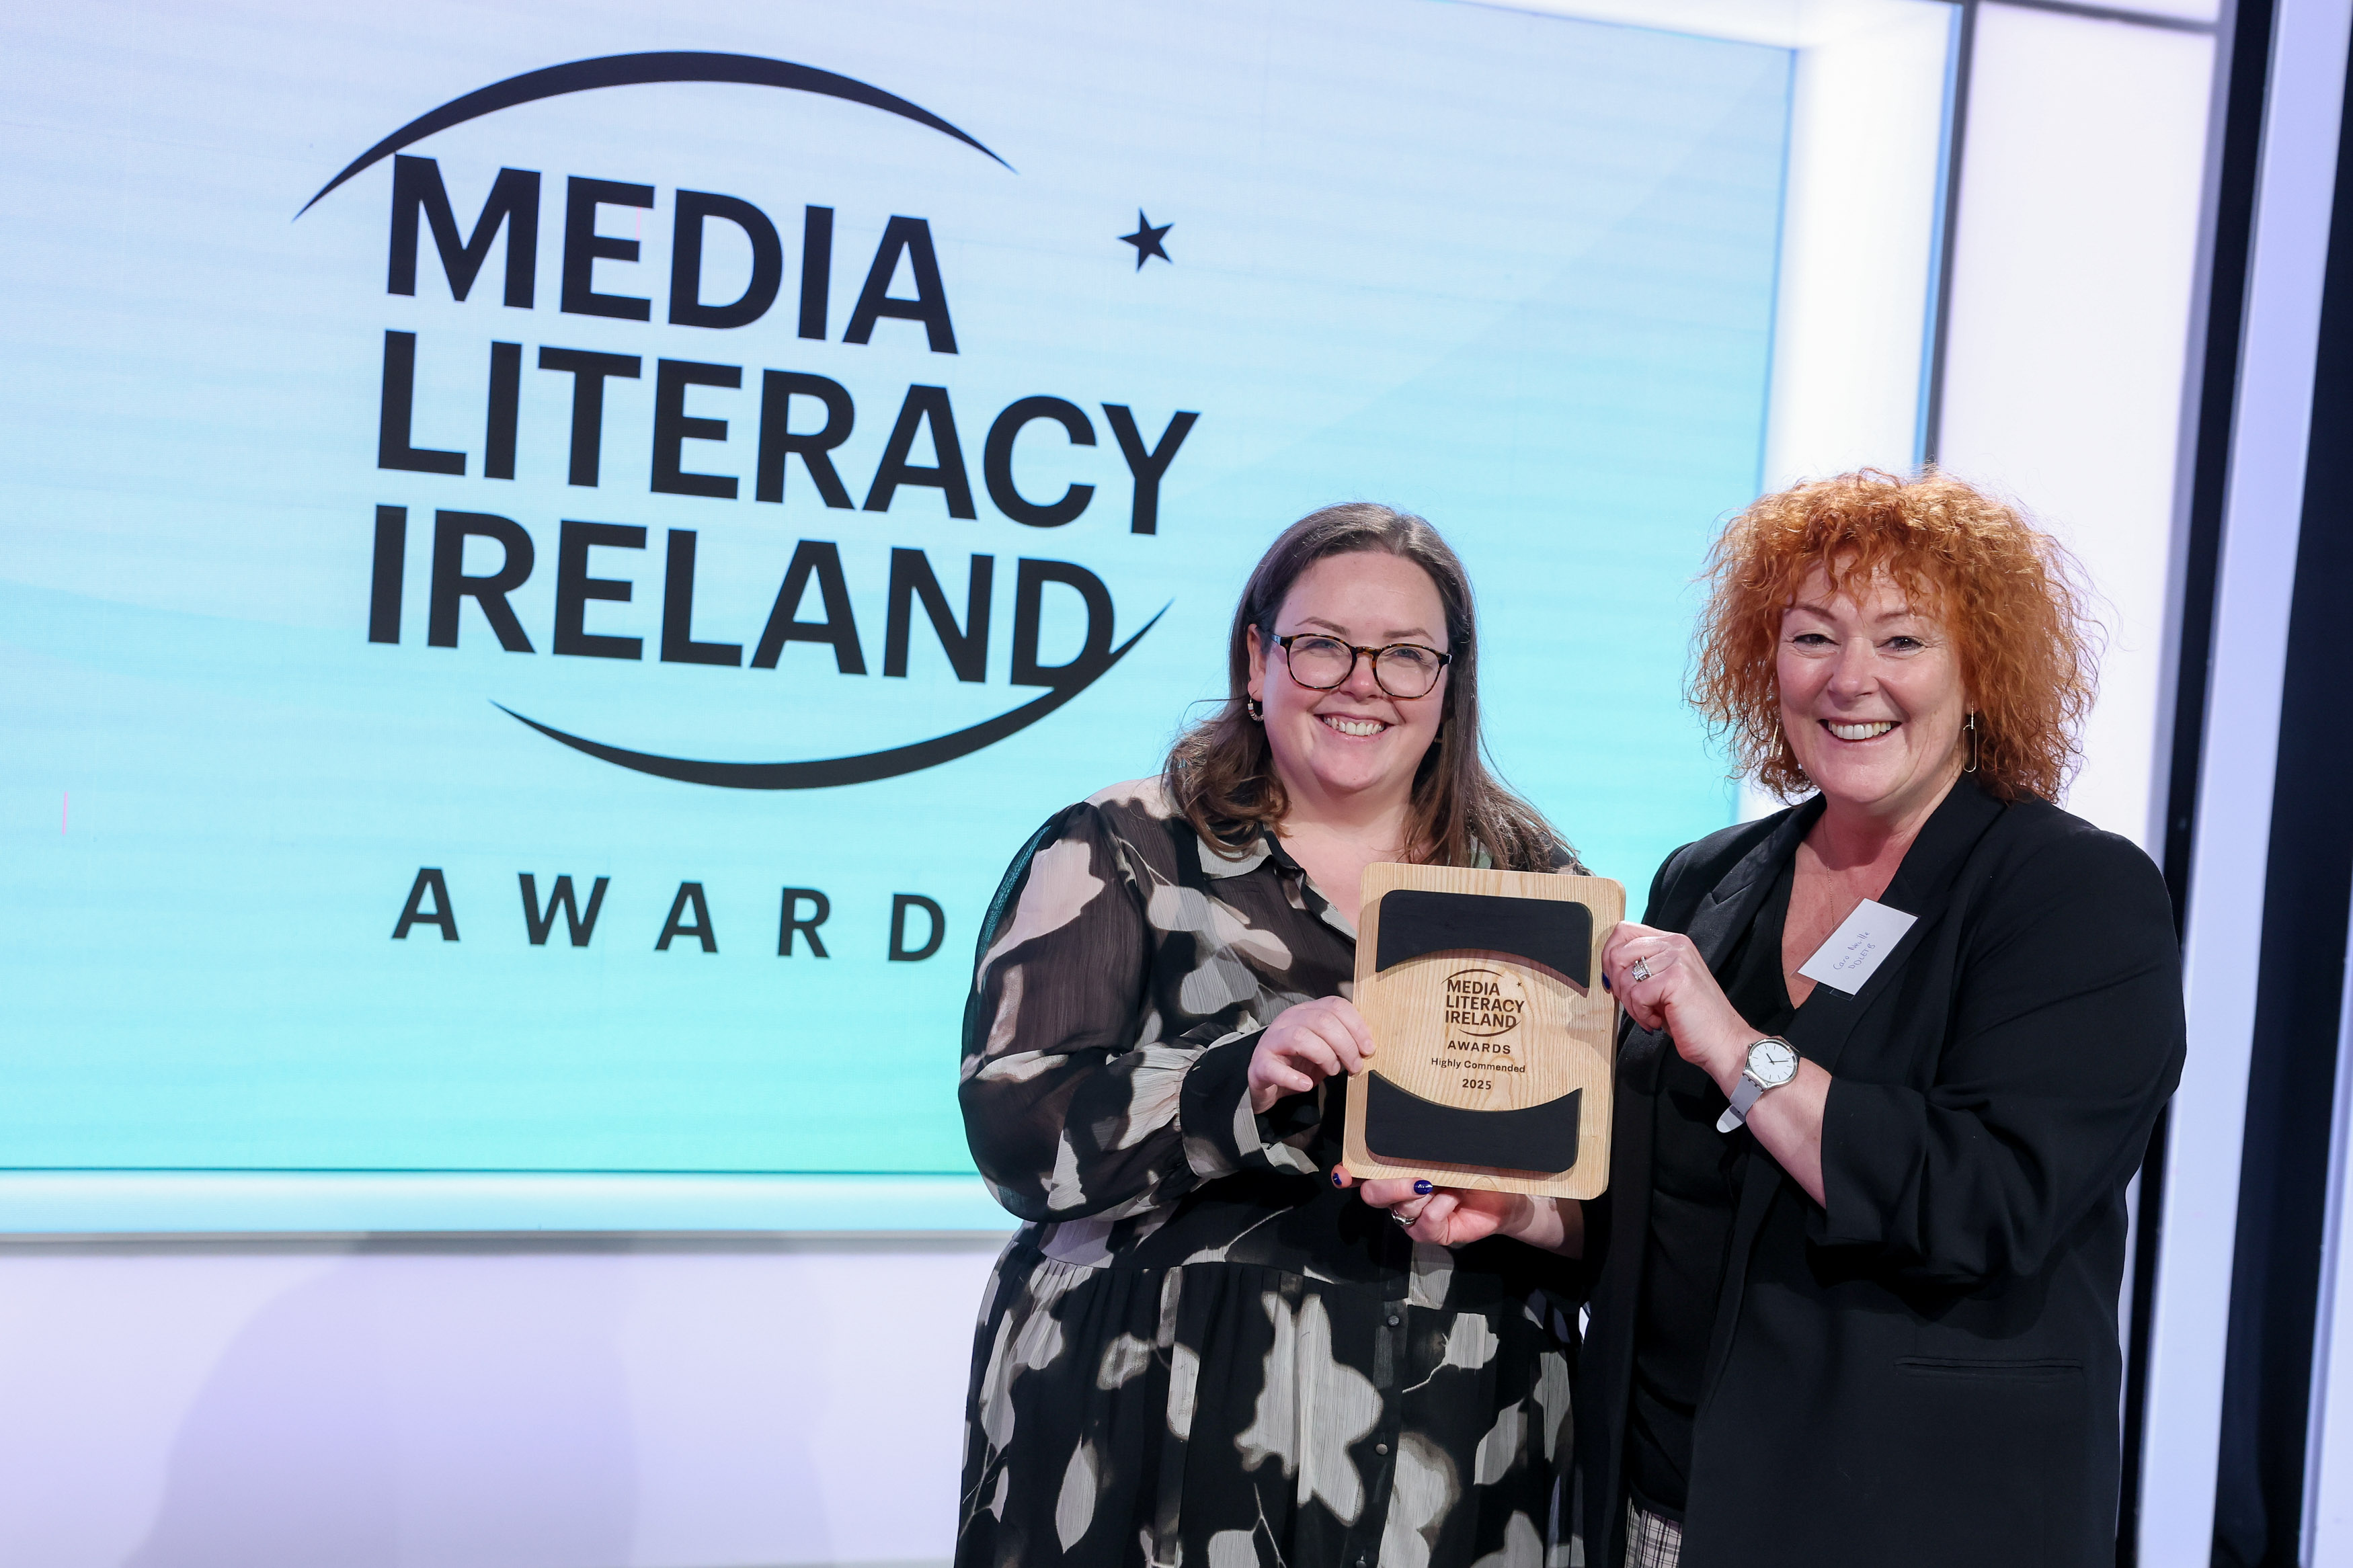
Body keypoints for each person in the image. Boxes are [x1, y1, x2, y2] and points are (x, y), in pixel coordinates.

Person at [1570, 470, 2186, 1567]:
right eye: (1813, 636)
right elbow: (1660, 1197)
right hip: (1664, 1509)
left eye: (1903, 641)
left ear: (1980, 670)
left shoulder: (2074, 894)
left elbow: (1988, 1198)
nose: (1851, 679)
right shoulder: (1708, 877)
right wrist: (1521, 1215)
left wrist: (1738, 1046)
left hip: (1913, 1519)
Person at [956, 503, 1586, 1568]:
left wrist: (1515, 1206)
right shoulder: (1120, 845)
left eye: (1405, 656)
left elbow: (1602, 1188)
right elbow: (1017, 1134)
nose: (1362, 682)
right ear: (1258, 657)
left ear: (1450, 683)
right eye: (1323, 644)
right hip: (1150, 1408)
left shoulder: (1542, 890)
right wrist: (1230, 1082)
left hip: (1459, 1420)